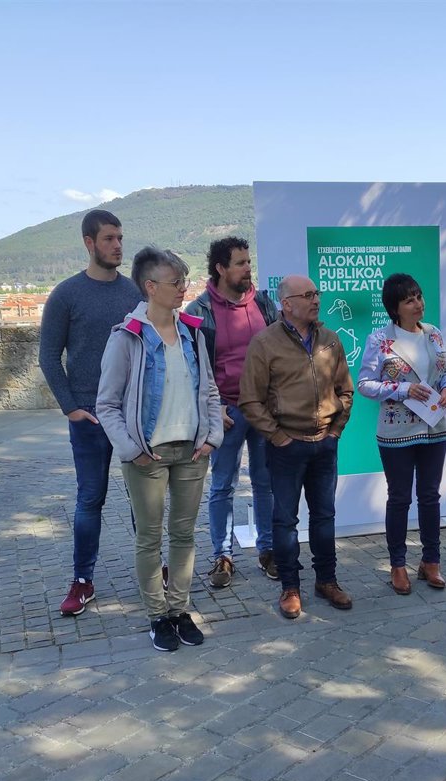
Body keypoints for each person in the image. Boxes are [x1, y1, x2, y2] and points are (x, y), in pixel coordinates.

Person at [96, 247, 223, 652]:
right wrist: (131, 449)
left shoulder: (193, 333)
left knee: (184, 535)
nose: (184, 288)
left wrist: (212, 437)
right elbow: (106, 404)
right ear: (150, 287)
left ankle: (179, 610)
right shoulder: (127, 337)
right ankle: (157, 616)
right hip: (146, 456)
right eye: (176, 282)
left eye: (184, 280)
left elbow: (210, 391)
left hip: (191, 452)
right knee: (149, 539)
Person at [39, 210, 143, 617]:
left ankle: (153, 568)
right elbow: (49, 356)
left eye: (120, 238)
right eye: (109, 239)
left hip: (133, 413)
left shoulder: (134, 292)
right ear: (89, 243)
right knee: (90, 498)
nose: (118, 245)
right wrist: (70, 408)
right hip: (89, 414)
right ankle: (82, 579)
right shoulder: (66, 295)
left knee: (144, 497)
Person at [239, 274, 354, 619]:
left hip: (325, 445)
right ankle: (290, 586)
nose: (316, 299)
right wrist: (278, 437)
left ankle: (327, 580)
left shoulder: (331, 340)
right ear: (286, 304)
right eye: (307, 295)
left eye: (317, 293)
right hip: (286, 447)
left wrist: (335, 430)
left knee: (324, 517)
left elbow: (346, 390)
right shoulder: (265, 343)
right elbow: (250, 400)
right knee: (285, 520)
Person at [184, 237, 279, 589]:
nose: (248, 268)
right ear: (221, 268)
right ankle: (222, 556)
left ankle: (268, 551)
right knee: (223, 484)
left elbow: (280, 353)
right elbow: (192, 367)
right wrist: (212, 407)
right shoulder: (199, 311)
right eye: (240, 263)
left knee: (265, 482)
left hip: (264, 409)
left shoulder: (264, 304)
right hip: (225, 411)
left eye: (249, 262)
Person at [356, 273, 446, 595]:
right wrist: (403, 389)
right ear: (394, 308)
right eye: (409, 300)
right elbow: (365, 384)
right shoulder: (379, 340)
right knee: (400, 498)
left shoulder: (434, 334)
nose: (418, 304)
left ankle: (431, 561)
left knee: (430, 496)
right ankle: (398, 565)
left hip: (434, 428)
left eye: (419, 296)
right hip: (396, 432)